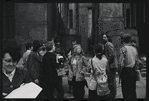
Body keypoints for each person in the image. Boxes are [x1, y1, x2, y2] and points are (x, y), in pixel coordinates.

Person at [118, 33, 138, 101]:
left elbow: (121, 63)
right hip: (133, 71)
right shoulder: (134, 49)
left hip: (126, 71)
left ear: (123, 40)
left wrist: (119, 71)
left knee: (126, 91)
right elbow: (137, 61)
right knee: (133, 90)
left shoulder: (123, 49)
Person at [103, 34, 118, 99]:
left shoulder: (108, 44)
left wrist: (107, 62)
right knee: (111, 80)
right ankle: (112, 93)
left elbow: (111, 55)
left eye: (105, 37)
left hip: (112, 65)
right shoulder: (107, 44)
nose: (103, 38)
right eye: (103, 37)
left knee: (112, 80)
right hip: (112, 64)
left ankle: (112, 94)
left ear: (108, 38)